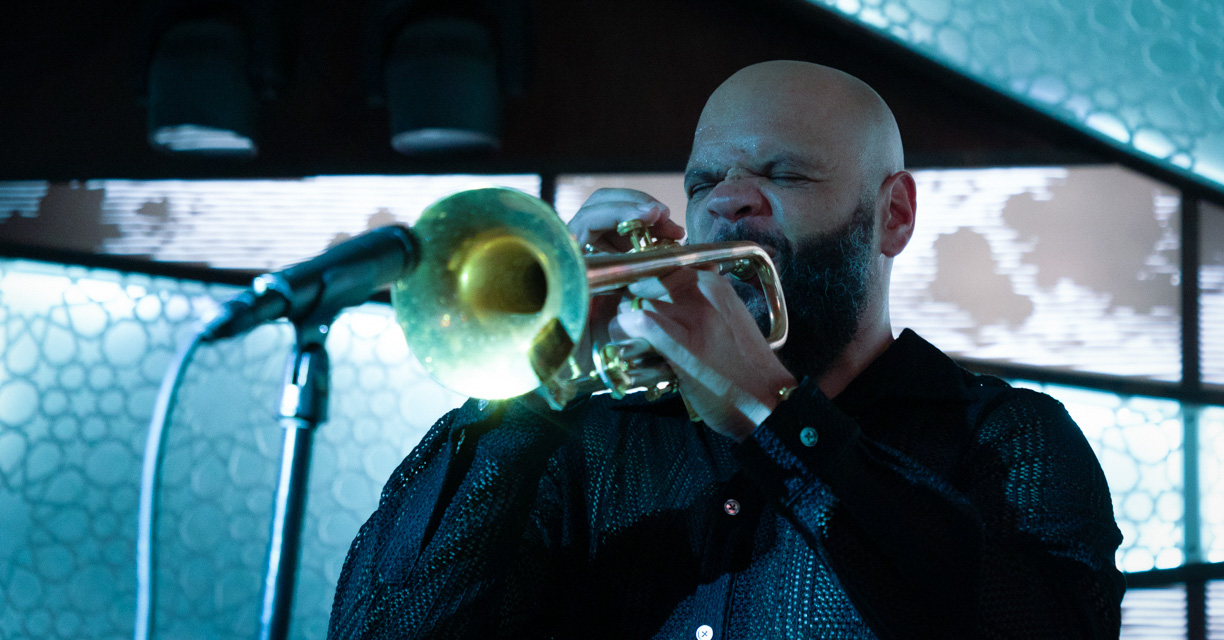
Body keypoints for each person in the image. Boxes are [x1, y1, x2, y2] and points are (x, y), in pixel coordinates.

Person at [327, 60, 1125, 639]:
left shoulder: (1007, 436)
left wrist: (777, 417)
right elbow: (383, 625)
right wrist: (541, 378)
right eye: (705, 182)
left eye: (786, 174)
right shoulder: (592, 439)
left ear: (894, 216)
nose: (730, 201)